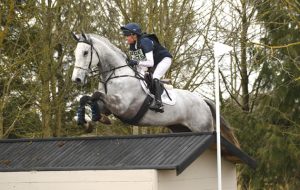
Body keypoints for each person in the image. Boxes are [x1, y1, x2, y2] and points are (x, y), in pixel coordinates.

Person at [120, 22, 172, 113]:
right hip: (153, 63)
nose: (126, 38)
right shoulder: (133, 46)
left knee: (155, 77)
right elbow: (138, 66)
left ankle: (159, 104)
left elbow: (150, 63)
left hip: (164, 59)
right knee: (140, 76)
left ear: (134, 35)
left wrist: (136, 62)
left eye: (127, 36)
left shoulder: (145, 41)